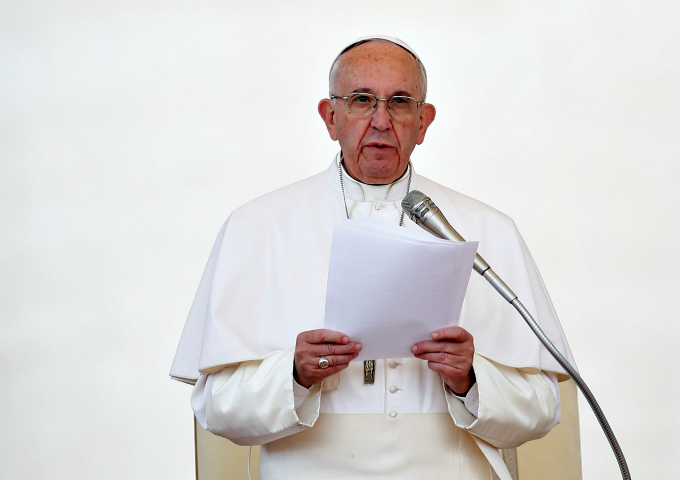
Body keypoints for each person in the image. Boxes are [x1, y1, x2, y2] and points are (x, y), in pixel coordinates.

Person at [170, 35, 576, 480]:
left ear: (423, 122)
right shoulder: (258, 225)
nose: (381, 120)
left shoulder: (487, 229)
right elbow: (214, 407)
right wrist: (294, 373)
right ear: (331, 117)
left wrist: (471, 379)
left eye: (400, 102)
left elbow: (544, 408)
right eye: (362, 100)